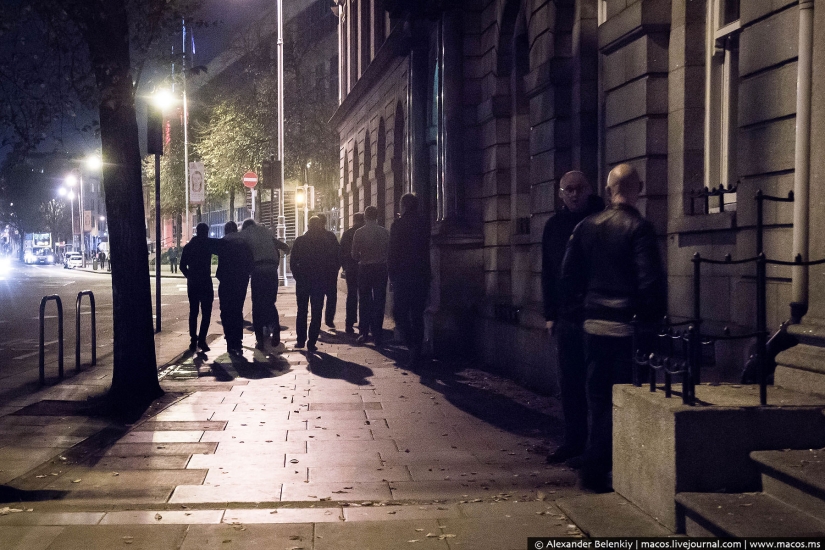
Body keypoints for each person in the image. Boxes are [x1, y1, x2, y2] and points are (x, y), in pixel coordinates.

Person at [559, 163, 667, 492]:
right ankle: (602, 468)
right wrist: (650, 321)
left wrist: (582, 313)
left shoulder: (587, 227)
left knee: (598, 400)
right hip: (627, 331)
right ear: (640, 188)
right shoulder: (640, 229)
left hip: (593, 328)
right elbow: (650, 284)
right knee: (624, 402)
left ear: (608, 191)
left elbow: (567, 279)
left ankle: (596, 465)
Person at [541, 171, 604, 465]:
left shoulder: (602, 220)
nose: (574, 194)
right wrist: (550, 313)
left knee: (597, 384)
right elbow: (548, 272)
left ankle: (597, 445)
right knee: (570, 382)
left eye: (579, 188)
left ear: (590, 189)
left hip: (596, 313)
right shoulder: (553, 226)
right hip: (566, 316)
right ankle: (573, 440)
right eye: (568, 189)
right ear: (560, 193)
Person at [388, 193, 431, 366]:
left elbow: (393, 252)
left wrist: (392, 276)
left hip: (402, 276)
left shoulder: (398, 225)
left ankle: (412, 345)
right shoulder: (423, 224)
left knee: (399, 313)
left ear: (404, 205)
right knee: (417, 314)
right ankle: (417, 349)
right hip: (421, 275)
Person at [290, 216, 341, 352]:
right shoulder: (326, 242)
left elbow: (293, 261)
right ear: (319, 226)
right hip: (319, 281)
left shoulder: (300, 241)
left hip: (303, 281)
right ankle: (311, 341)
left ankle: (301, 340)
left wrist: (298, 277)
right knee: (316, 312)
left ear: (308, 226)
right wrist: (330, 277)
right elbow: (335, 260)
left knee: (302, 311)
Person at [241, 218, 290, 350]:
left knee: (257, 305)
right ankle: (276, 328)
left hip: (258, 271)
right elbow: (283, 246)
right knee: (269, 302)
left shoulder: (246, 234)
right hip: (272, 271)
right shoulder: (265, 232)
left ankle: (260, 340)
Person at [212, 221, 254, 355]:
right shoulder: (244, 242)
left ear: (226, 231)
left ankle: (230, 340)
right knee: (237, 310)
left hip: (226, 280)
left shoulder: (223, 242)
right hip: (241, 280)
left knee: (226, 311)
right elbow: (250, 261)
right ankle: (238, 340)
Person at [351, 205, 389, 346]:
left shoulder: (359, 233)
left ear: (365, 217)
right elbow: (389, 252)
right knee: (379, 301)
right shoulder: (385, 232)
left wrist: (362, 256)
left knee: (365, 301)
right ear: (377, 216)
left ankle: (364, 333)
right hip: (381, 268)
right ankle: (378, 334)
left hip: (365, 268)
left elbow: (354, 255)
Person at [180, 223, 215, 352]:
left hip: (193, 282)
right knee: (206, 312)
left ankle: (193, 340)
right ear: (206, 232)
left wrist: (189, 276)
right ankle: (202, 339)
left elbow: (182, 265)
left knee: (193, 311)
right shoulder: (208, 245)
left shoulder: (189, 247)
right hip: (205, 281)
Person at [340, 212, 365, 334]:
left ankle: (349, 323)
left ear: (353, 220)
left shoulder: (347, 233)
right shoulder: (364, 232)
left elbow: (342, 252)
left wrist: (344, 267)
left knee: (351, 295)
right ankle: (364, 323)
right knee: (365, 296)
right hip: (364, 268)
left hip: (351, 268)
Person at [316, 213, 340, 329]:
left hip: (322, 271)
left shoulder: (312, 237)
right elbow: (338, 252)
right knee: (330, 296)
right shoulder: (330, 236)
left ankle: (320, 320)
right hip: (329, 271)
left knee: (320, 296)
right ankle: (328, 319)